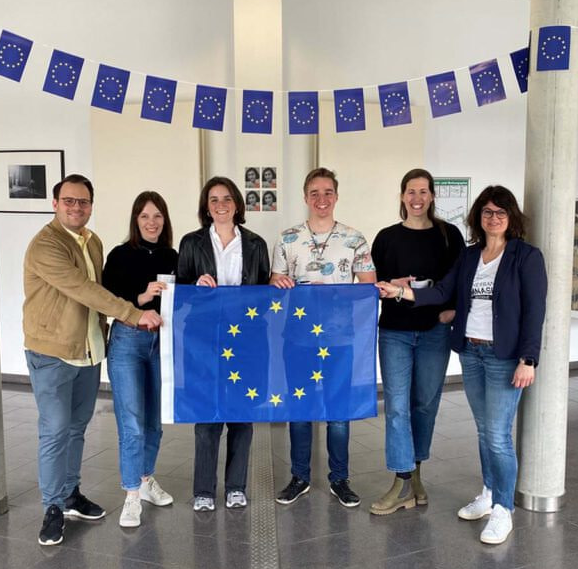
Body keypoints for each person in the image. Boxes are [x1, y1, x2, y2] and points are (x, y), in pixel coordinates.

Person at [377, 185, 547, 545]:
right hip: (471, 352)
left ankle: (504, 509)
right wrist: (401, 293)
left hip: (504, 357)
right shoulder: (471, 256)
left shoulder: (526, 257)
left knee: (499, 436)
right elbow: (442, 292)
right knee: (484, 432)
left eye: (500, 212)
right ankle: (488, 492)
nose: (493, 218)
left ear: (511, 217)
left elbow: (534, 313)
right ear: (478, 218)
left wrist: (528, 359)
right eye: (487, 212)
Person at [23, 174, 162, 546]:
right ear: (55, 204)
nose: (76, 207)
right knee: (54, 431)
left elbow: (101, 290)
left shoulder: (92, 241)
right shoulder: (46, 246)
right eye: (69, 201)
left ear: (91, 206)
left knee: (76, 428)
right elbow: (84, 290)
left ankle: (71, 494)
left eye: (83, 202)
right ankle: (52, 507)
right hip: (52, 352)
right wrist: (133, 313)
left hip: (88, 351)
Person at [271, 167, 376, 508]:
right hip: (298, 338)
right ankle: (299, 476)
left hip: (340, 339)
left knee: (338, 411)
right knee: (299, 408)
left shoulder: (354, 238)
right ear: (305, 197)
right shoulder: (288, 239)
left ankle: (339, 478)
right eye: (314, 193)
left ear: (336, 196)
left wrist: (331, 291)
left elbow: (368, 286)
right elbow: (275, 284)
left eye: (327, 192)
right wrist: (280, 284)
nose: (321, 199)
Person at [369, 168, 464, 516]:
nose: (417, 198)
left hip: (433, 332)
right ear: (401, 196)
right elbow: (372, 283)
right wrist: (389, 284)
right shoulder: (386, 237)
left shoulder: (449, 235)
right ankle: (402, 479)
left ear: (433, 196)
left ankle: (416, 473)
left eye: (424, 191)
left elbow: (460, 280)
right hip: (394, 331)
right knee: (396, 407)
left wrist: (452, 309)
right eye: (411, 191)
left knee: (424, 404)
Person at [178, 176, 270, 511]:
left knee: (241, 417)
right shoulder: (191, 242)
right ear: (206, 206)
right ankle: (203, 490)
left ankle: (235, 486)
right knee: (207, 417)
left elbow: (262, 292)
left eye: (227, 198)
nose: (220, 205)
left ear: (237, 205)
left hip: (245, 341)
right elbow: (180, 290)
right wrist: (195, 284)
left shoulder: (256, 243)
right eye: (214, 199)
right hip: (205, 339)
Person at [102, 191, 178, 528]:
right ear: (136, 220)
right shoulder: (120, 255)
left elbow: (186, 297)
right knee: (131, 424)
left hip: (161, 344)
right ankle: (131, 495)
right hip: (127, 343)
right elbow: (106, 296)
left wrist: (204, 285)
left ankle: (146, 480)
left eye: (158, 216)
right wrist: (141, 297)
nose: (152, 222)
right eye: (145, 216)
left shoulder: (173, 256)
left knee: (153, 423)